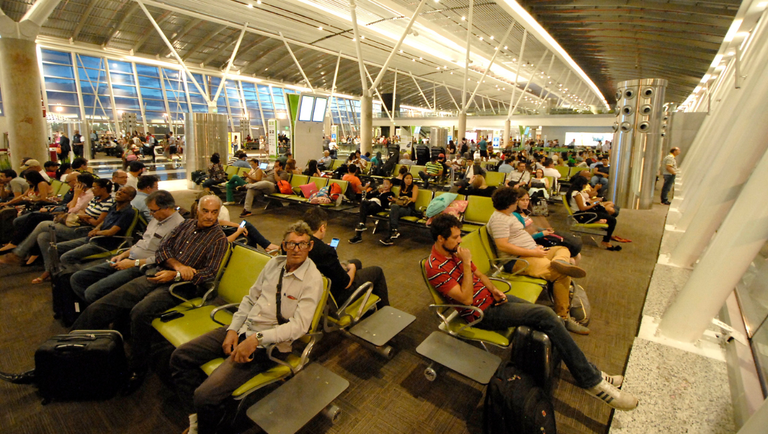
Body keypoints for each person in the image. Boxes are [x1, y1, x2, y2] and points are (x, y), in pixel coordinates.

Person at [425, 213, 638, 411]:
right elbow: (466, 299)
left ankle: (589, 371)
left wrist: (494, 289)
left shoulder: (455, 252)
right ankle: (591, 381)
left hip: (493, 300)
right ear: (440, 239)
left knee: (547, 317)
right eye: (455, 237)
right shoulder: (435, 267)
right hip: (480, 313)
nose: (460, 240)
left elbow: (478, 273)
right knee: (545, 316)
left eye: (460, 235)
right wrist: (465, 263)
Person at [171, 221, 323, 434]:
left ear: (310, 246)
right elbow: (251, 299)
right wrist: (233, 329)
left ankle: (205, 426)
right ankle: (198, 417)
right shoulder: (274, 264)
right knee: (181, 357)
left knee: (204, 396)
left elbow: (299, 326)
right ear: (283, 245)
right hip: (243, 328)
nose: (296, 249)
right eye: (291, 244)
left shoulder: (312, 279)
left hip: (268, 346)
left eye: (302, 244)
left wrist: (256, 339)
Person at [72, 195, 229, 393]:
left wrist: (176, 275)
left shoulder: (218, 239)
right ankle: (70, 346)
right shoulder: (185, 225)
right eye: (205, 211)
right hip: (157, 273)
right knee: (103, 305)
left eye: (214, 212)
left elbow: (209, 274)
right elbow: (163, 250)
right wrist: (178, 266)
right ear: (197, 209)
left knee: (140, 313)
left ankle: (137, 367)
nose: (209, 216)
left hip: (181, 287)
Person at [487, 187, 590, 334]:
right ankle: (564, 318)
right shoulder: (499, 219)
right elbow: (503, 245)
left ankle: (561, 262)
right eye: (516, 200)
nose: (518, 203)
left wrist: (535, 248)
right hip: (517, 260)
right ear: (509, 202)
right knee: (560, 274)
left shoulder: (508, 215)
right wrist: (532, 251)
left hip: (532, 252)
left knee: (563, 249)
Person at [70, 190, 185, 304]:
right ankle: (91, 310)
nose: (150, 214)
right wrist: (124, 254)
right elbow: (143, 242)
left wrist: (133, 263)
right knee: (78, 277)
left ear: (166, 207)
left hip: (141, 266)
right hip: (128, 257)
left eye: (153, 211)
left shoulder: (180, 227)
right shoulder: (156, 219)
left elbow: (165, 258)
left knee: (92, 292)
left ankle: (96, 311)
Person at [303, 208, 391, 310]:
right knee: (376, 271)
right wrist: (352, 268)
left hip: (314, 285)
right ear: (322, 228)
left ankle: (363, 305)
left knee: (356, 262)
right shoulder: (325, 251)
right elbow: (346, 283)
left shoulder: (299, 243)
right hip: (333, 296)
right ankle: (386, 310)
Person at [58, 186, 138, 267]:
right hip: (94, 238)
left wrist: (96, 233)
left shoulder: (128, 212)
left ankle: (75, 277)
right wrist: (96, 229)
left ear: (130, 197)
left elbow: (111, 232)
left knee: (66, 257)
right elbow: (104, 221)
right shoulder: (114, 206)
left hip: (103, 243)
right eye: (120, 190)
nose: (119, 192)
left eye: (124, 192)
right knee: (57, 247)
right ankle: (54, 273)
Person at [567, 176, 620, 251]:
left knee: (605, 214)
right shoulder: (576, 194)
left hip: (583, 214)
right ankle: (606, 241)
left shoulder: (574, 192)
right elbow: (582, 208)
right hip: (582, 215)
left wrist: (594, 203)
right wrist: (594, 204)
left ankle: (605, 234)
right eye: (585, 184)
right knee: (612, 220)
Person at [349, 178, 395, 244]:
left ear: (391, 185)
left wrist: (383, 194)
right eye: (384, 183)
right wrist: (377, 192)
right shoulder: (379, 191)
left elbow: (385, 201)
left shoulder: (390, 193)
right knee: (363, 202)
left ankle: (358, 235)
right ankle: (361, 225)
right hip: (370, 203)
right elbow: (368, 196)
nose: (385, 185)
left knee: (364, 211)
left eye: (387, 184)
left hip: (378, 206)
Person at [380, 173, 418, 246]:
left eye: (410, 178)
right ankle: (392, 233)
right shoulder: (401, 187)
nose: (409, 180)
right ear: (403, 179)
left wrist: (404, 198)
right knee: (394, 208)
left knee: (393, 212)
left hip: (409, 208)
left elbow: (413, 199)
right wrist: (394, 199)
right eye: (407, 178)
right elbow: (398, 200)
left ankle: (392, 232)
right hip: (400, 207)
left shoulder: (414, 187)